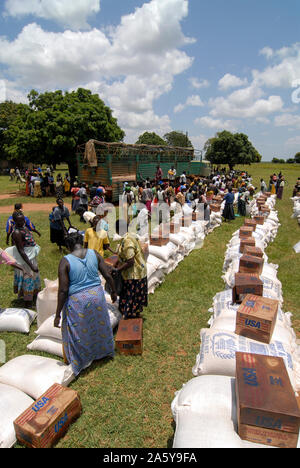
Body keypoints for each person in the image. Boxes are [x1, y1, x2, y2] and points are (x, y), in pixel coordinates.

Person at [54, 231, 116, 377]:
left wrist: (57, 314)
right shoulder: (94, 253)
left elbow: (63, 290)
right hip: (97, 296)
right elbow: (107, 274)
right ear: (82, 242)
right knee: (100, 325)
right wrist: (113, 292)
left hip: (78, 301)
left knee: (79, 330)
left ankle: (81, 360)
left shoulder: (66, 260)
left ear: (68, 246)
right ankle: (104, 352)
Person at [114, 219, 148, 319]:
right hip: (137, 270)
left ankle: (131, 317)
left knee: (131, 295)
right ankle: (133, 314)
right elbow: (122, 256)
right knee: (133, 296)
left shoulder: (128, 241)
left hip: (134, 273)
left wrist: (117, 270)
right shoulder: (129, 236)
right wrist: (116, 264)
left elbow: (130, 261)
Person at [9, 211, 41, 306]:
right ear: (14, 221)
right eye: (19, 221)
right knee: (28, 278)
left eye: (23, 219)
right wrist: (31, 265)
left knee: (33, 277)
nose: (22, 222)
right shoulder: (17, 232)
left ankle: (33, 295)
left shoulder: (24, 228)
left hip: (31, 257)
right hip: (25, 260)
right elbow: (21, 250)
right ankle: (28, 302)